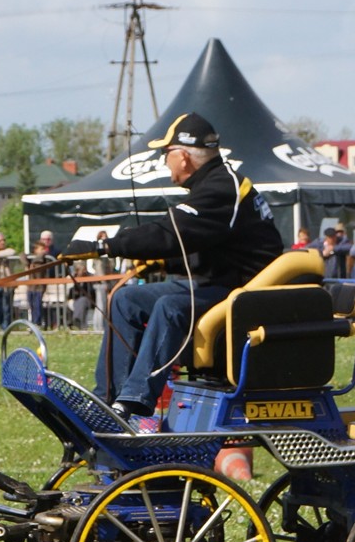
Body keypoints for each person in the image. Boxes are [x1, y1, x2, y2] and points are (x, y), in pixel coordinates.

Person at [67, 112, 283, 420]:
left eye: (166, 154)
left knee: (170, 306)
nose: (164, 162)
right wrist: (162, 261)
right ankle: (106, 399)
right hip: (219, 283)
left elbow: (170, 232)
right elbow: (205, 244)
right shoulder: (214, 185)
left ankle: (136, 399)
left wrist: (104, 246)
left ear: (183, 157)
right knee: (125, 299)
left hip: (242, 292)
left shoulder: (221, 188)